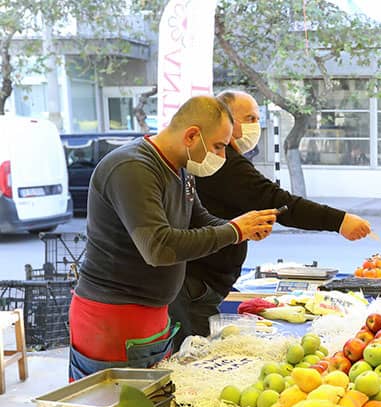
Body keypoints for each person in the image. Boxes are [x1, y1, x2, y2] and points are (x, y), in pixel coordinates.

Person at [69, 95, 278, 380]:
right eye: (218, 146)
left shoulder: (181, 168)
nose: (222, 156)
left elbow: (199, 219)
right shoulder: (132, 169)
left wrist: (242, 229)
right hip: (114, 319)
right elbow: (159, 247)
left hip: (154, 316)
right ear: (192, 135)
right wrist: (234, 231)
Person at [169, 91, 371, 346]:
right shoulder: (223, 164)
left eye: (257, 118)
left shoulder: (210, 163)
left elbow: (203, 218)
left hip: (199, 284)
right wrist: (339, 221)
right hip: (193, 287)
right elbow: (277, 201)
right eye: (249, 118)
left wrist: (240, 229)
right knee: (190, 359)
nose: (256, 126)